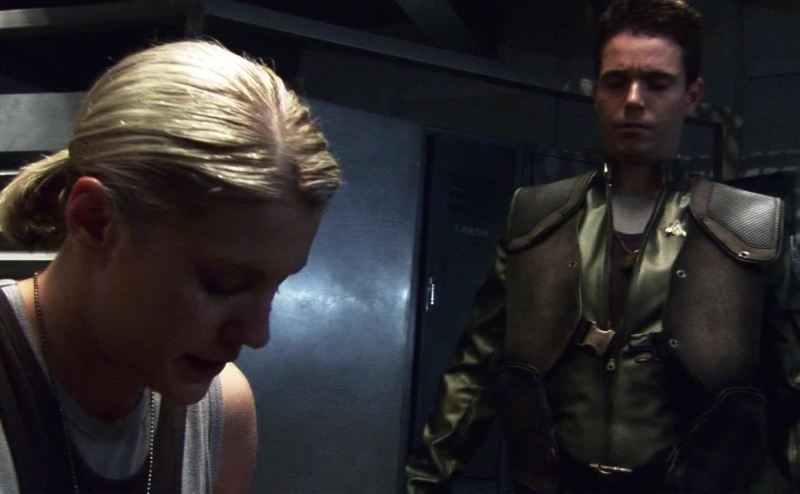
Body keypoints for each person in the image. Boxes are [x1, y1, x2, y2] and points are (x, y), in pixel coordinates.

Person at [406, 1, 799, 493]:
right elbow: (474, 374)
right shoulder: (536, 218)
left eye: (656, 83)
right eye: (616, 82)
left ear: (691, 95)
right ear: (596, 92)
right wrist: (422, 483)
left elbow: (792, 393)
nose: (633, 99)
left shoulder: (749, 225)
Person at [0, 40, 341, 494]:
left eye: (275, 286)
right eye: (222, 283)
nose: (256, 334)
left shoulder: (222, 410)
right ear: (94, 220)